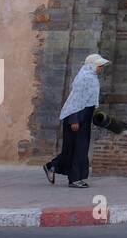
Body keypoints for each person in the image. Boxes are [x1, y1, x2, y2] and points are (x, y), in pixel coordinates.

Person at [43, 53, 109, 188]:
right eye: (100, 66)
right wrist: (74, 120)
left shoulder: (92, 77)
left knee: (76, 148)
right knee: (77, 148)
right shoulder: (84, 78)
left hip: (83, 117)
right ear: (92, 66)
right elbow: (76, 100)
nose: (101, 68)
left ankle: (52, 166)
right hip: (76, 117)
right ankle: (74, 179)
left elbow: (87, 100)